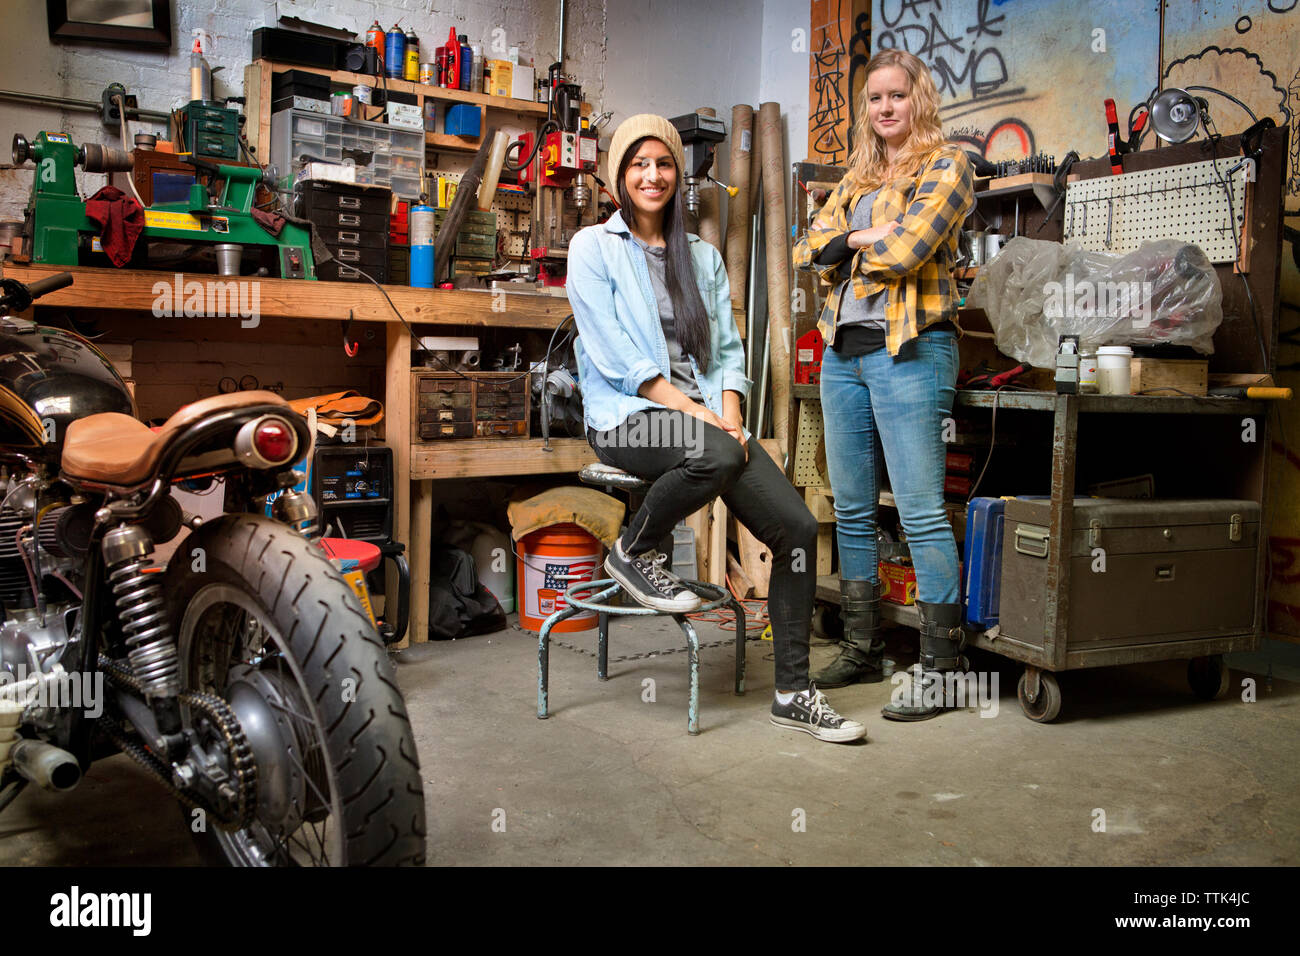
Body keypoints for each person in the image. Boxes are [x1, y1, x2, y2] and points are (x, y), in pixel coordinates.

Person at [567, 114, 865, 743]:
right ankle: (634, 548)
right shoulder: (593, 247)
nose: (652, 176)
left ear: (680, 174)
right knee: (714, 455)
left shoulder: (699, 256)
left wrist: (728, 414)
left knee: (799, 528)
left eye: (664, 164)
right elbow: (617, 357)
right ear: (620, 175)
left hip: (701, 421)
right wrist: (695, 414)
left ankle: (792, 691)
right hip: (627, 420)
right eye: (638, 164)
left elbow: (728, 350)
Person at [792, 50, 975, 720]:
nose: (886, 108)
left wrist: (852, 242)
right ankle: (864, 645)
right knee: (852, 510)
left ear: (918, 99)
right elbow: (804, 247)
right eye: (874, 98)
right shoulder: (858, 176)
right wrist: (865, 231)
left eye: (898, 96)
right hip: (844, 355)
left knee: (922, 513)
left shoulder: (948, 164)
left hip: (910, 352)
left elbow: (909, 252)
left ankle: (943, 666)